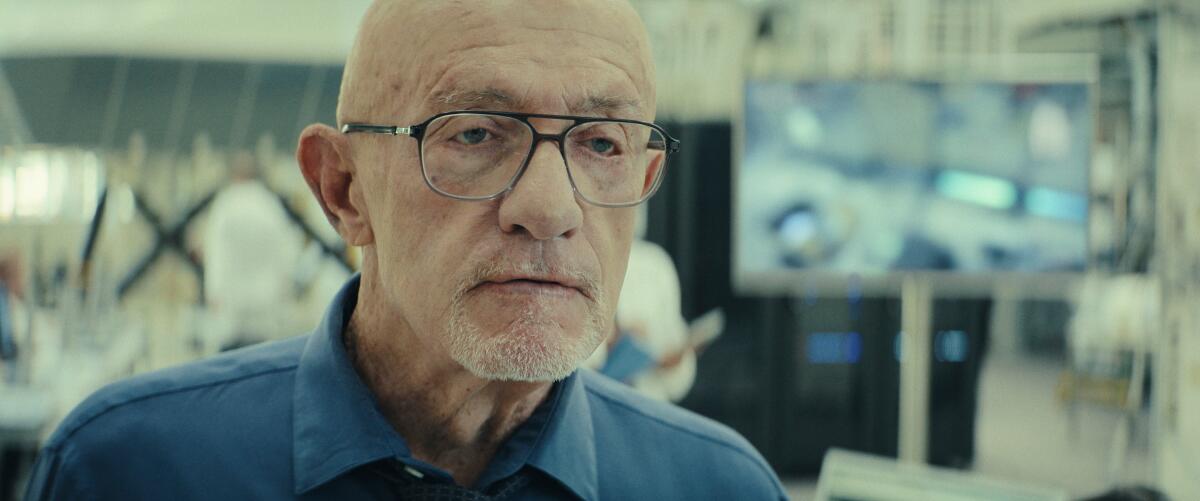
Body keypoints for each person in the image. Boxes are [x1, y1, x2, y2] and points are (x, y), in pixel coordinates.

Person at [24, 1, 787, 499]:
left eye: (599, 142)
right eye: (476, 134)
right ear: (343, 188)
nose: (552, 208)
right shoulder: (132, 470)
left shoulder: (718, 486)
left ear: (646, 179)